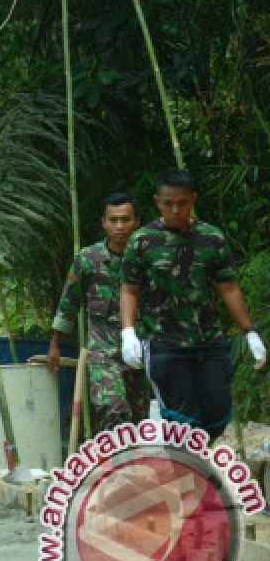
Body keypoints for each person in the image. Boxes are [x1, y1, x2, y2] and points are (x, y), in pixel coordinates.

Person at [120, 169, 265, 439]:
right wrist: (127, 332)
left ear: (193, 200)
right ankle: (186, 478)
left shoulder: (212, 238)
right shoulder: (141, 241)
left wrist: (249, 331)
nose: (175, 209)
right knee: (184, 426)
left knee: (217, 416)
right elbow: (129, 290)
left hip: (209, 342)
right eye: (168, 203)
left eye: (182, 202)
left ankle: (202, 476)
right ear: (157, 202)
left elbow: (229, 287)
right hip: (164, 344)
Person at [46, 192, 150, 433]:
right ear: (103, 222)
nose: (119, 227)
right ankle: (111, 465)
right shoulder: (88, 259)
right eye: (113, 221)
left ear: (136, 222)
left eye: (125, 220)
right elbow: (69, 302)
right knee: (112, 408)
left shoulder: (148, 258)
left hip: (139, 347)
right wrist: (55, 344)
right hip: (103, 348)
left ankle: (131, 465)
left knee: (140, 418)